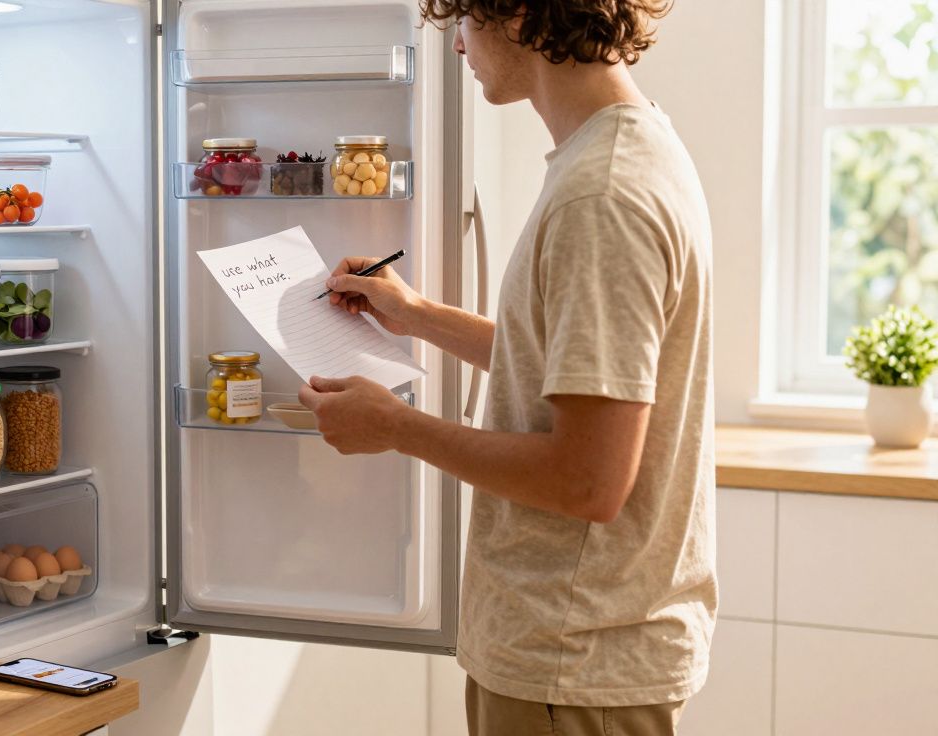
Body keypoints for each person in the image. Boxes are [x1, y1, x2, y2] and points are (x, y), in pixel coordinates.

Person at [297, 2, 715, 734]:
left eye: (463, 17)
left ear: (518, 14)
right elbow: (573, 369)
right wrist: (417, 314)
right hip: (578, 650)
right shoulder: (628, 148)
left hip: (571, 660)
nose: (457, 45)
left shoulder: (601, 195)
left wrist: (397, 427)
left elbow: (587, 479)